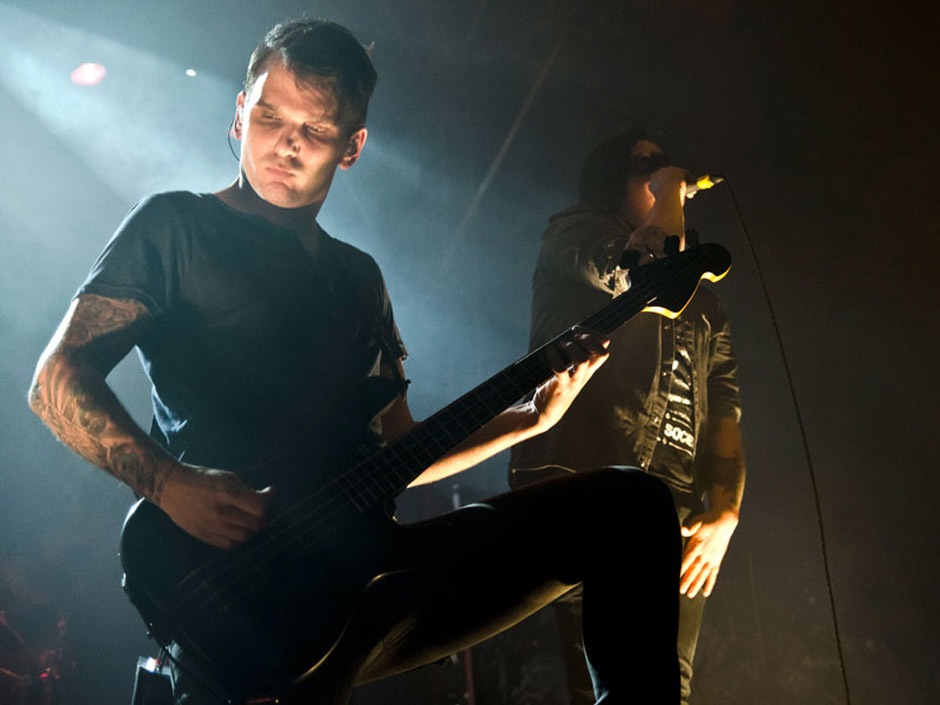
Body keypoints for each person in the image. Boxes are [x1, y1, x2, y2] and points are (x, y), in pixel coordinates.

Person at [27, 20, 682, 705]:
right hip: (242, 596)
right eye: (270, 116)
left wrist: (531, 418)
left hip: (375, 573)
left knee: (629, 506)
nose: (286, 143)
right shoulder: (174, 227)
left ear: (352, 147)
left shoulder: (359, 277)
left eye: (314, 129)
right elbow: (55, 379)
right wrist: (167, 483)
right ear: (240, 113)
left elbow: (400, 449)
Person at [510, 128, 746, 705]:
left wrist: (726, 511)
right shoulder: (575, 232)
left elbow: (724, 406)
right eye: (647, 165)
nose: (664, 173)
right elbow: (646, 272)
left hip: (675, 509)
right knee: (605, 683)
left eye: (666, 165)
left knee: (668, 687)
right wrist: (669, 190)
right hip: (586, 483)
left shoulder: (706, 299)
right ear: (611, 176)